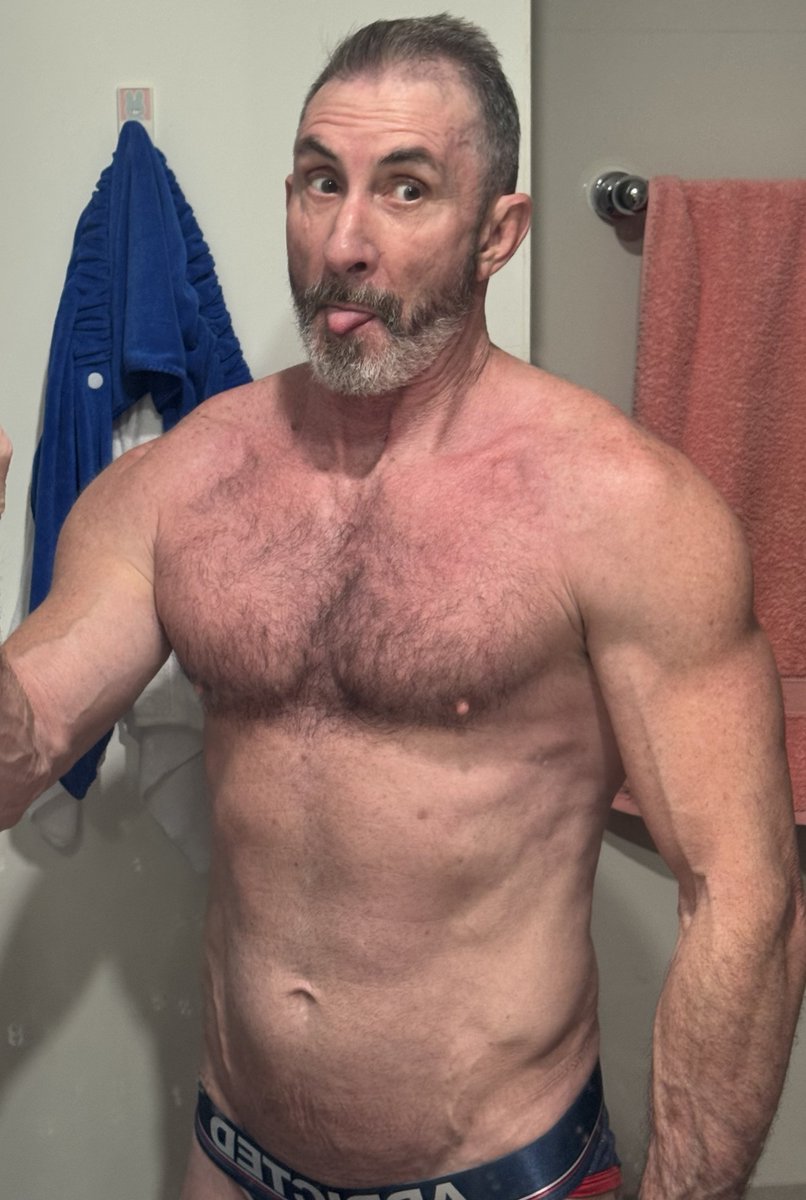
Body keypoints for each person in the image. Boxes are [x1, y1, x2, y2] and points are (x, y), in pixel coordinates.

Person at [1, 14, 804, 1200]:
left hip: (505, 1174)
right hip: (232, 1161)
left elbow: (742, 898)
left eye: (406, 189)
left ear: (497, 234)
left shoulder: (625, 510)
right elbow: (23, 757)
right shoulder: (175, 488)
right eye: (320, 181)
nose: (344, 241)